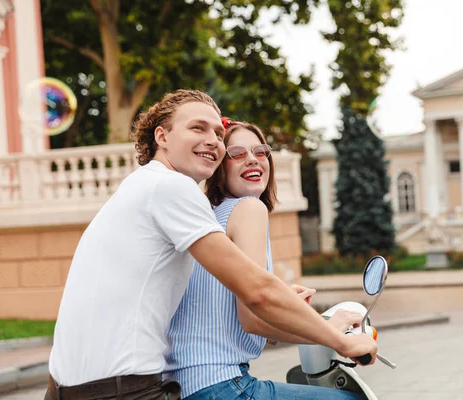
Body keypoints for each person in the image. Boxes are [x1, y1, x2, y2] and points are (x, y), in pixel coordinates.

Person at [45, 90, 377, 400]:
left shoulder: (147, 192)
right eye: (198, 128)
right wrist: (336, 337)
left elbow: (227, 308)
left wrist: (283, 307)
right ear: (162, 137)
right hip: (127, 391)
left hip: (68, 387)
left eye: (218, 134)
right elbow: (257, 293)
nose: (212, 141)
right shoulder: (171, 188)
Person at [165, 121, 366, 400]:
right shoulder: (248, 209)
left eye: (261, 152)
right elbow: (253, 316)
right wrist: (331, 332)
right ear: (220, 170)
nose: (252, 159)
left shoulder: (209, 217)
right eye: (237, 153)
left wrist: (283, 305)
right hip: (219, 385)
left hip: (183, 386)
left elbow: (227, 312)